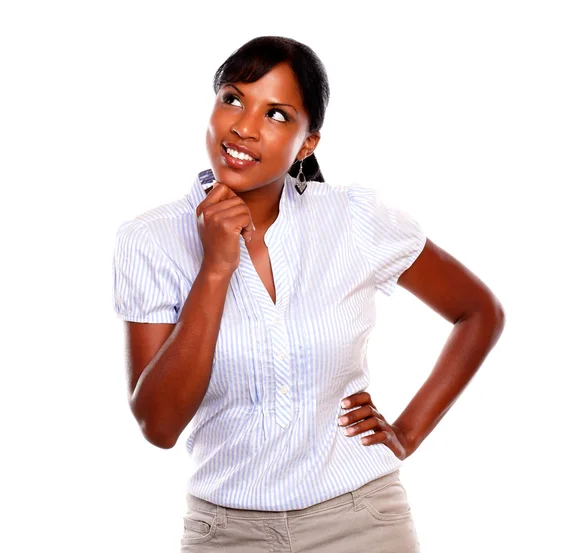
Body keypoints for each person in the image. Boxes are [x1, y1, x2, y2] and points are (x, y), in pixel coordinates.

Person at [112, 36, 505, 552]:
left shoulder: (354, 219)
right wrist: (214, 270)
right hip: (225, 533)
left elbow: (478, 312)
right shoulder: (151, 239)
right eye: (233, 98)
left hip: (361, 521)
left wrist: (407, 433)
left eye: (276, 114)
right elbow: (158, 426)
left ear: (307, 143)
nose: (244, 127)